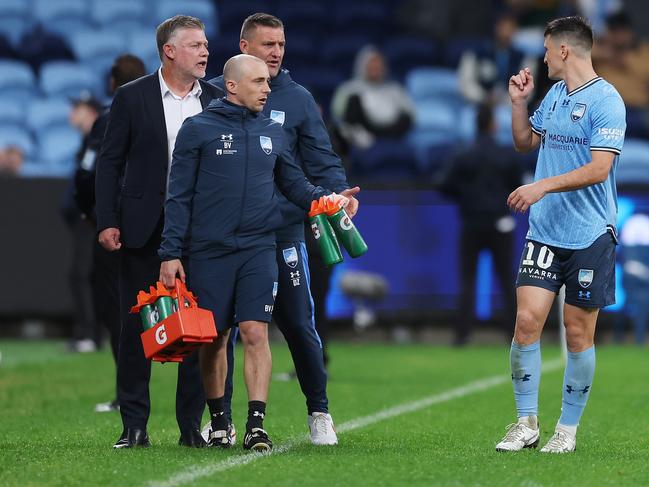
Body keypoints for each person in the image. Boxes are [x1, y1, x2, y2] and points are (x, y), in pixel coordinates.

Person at [159, 54, 345, 451]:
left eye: (267, 82)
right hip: (209, 251)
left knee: (256, 332)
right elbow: (178, 197)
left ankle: (255, 425)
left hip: (260, 247)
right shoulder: (197, 129)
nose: (266, 89)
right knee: (215, 338)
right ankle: (220, 421)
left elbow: (294, 183)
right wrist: (170, 252)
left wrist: (327, 199)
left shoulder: (272, 131)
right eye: (259, 82)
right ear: (232, 86)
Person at [208, 13, 359, 446]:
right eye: (267, 44)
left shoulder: (297, 99)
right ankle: (222, 420)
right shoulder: (217, 97)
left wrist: (337, 193)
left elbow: (320, 157)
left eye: (281, 44)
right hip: (228, 235)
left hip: (282, 231)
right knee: (224, 329)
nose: (276, 52)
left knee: (297, 321)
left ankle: (319, 411)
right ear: (243, 46)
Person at [495, 16, 626, 454]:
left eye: (548, 50)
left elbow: (600, 168)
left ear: (564, 51)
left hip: (590, 233)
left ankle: (566, 430)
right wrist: (518, 102)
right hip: (545, 232)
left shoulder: (608, 100)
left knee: (576, 334)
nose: (544, 57)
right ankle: (525, 423)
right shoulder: (553, 95)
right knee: (526, 322)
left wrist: (541, 186)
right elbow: (523, 143)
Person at [95, 15, 223, 449]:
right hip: (142, 228)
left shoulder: (219, 98)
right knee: (135, 331)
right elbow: (110, 163)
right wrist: (107, 220)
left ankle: (191, 427)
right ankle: (134, 426)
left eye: (206, 44)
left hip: (202, 231)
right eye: (195, 45)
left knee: (198, 329)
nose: (205, 51)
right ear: (169, 51)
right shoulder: (133, 97)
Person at [72, 54, 147, 413]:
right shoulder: (156, 114)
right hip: (153, 222)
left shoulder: (109, 118)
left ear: (113, 84)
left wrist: (94, 213)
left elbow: (91, 172)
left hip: (115, 226)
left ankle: (128, 394)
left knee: (118, 310)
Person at [439, 103, 522, 346]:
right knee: (507, 278)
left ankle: (462, 334)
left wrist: (466, 199)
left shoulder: (463, 155)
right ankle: (515, 334)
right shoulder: (505, 155)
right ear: (493, 125)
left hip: (472, 222)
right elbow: (517, 185)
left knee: (467, 279)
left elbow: (443, 185)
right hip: (500, 222)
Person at [62, 93, 102, 354]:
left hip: (91, 219)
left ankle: (90, 334)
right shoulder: (88, 141)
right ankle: (89, 333)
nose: (71, 114)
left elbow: (94, 181)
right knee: (85, 275)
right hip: (85, 219)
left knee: (84, 275)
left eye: (76, 108)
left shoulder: (99, 139)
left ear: (89, 111)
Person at [330, 45, 414, 150]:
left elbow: (409, 115)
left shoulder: (395, 89)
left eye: (378, 64)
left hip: (392, 135)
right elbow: (338, 115)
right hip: (362, 139)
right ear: (362, 65)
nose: (375, 68)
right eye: (371, 64)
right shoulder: (348, 89)